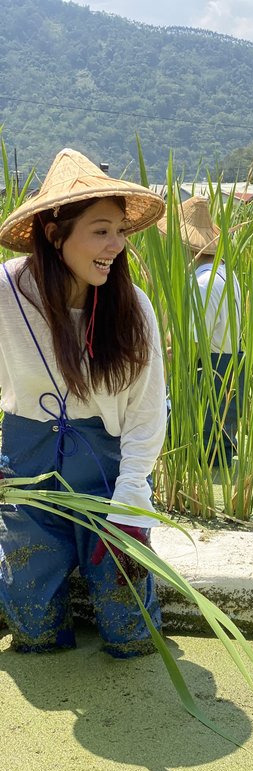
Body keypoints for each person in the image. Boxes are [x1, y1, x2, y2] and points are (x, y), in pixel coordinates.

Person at [0, 148, 167, 657]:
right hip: (26, 468)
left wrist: (131, 499)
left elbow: (145, 410)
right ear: (55, 235)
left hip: (107, 466)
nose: (117, 245)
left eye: (121, 230)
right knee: (33, 628)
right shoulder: (6, 292)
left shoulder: (131, 308)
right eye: (101, 230)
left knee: (129, 628)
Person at [157, 196, 243, 467]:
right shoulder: (226, 275)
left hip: (207, 381)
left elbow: (188, 347)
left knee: (194, 452)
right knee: (216, 452)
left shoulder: (203, 283)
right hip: (229, 377)